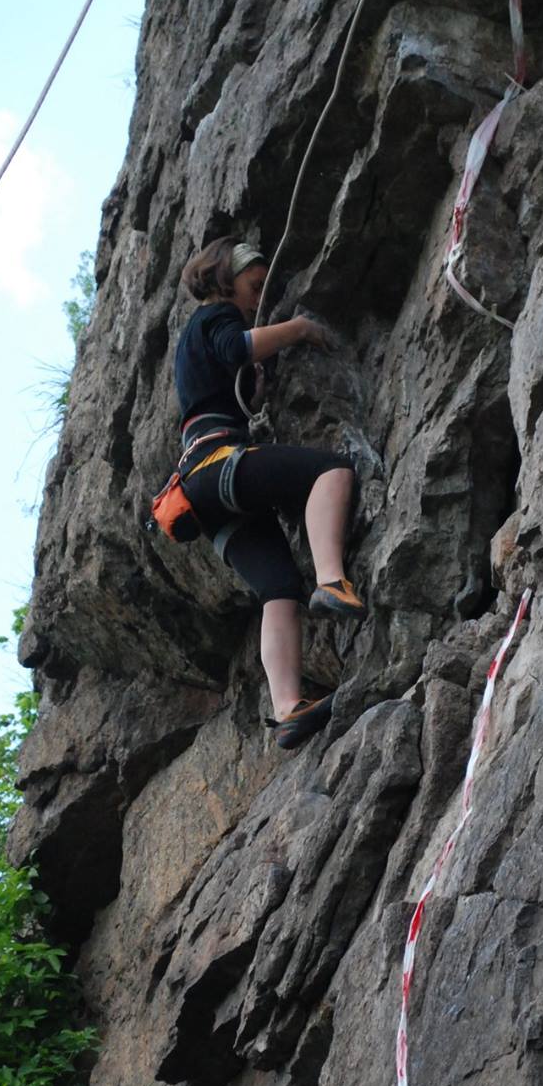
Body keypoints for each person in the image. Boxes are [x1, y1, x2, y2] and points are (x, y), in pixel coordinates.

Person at [173, 235, 367, 748]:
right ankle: (332, 580)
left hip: (201, 492)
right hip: (218, 464)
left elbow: (225, 378)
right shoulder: (216, 315)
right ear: (224, 277)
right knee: (331, 471)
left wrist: (252, 391)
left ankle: (287, 708)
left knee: (277, 587)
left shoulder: (196, 340)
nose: (258, 296)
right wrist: (299, 328)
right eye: (252, 284)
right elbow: (237, 345)